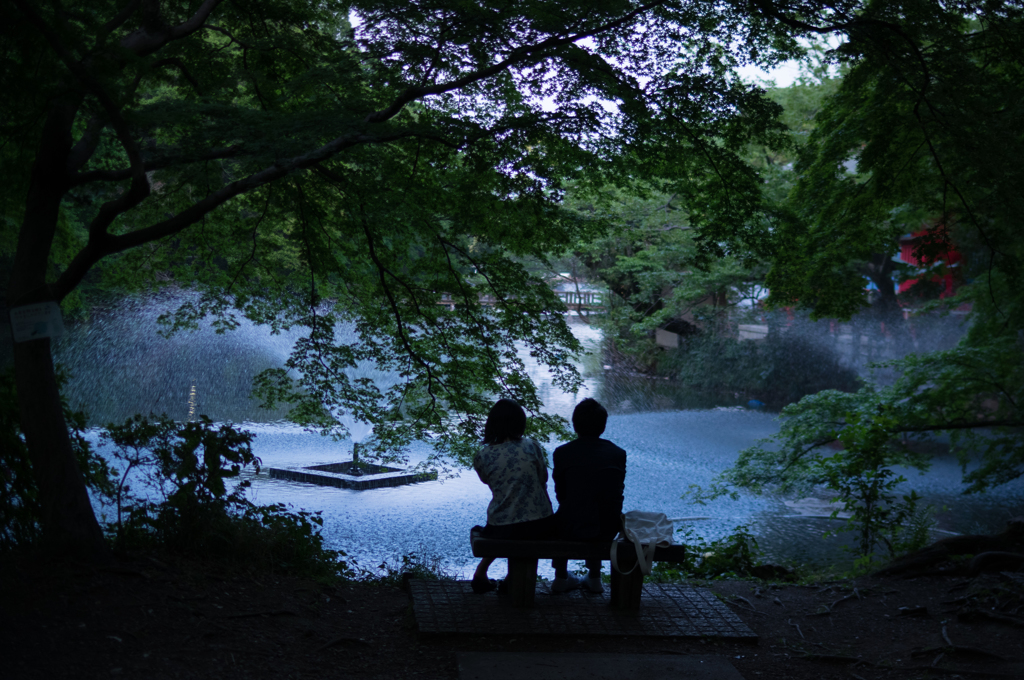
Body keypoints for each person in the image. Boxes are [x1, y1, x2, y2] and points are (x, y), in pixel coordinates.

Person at [471, 398, 557, 593]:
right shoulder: (531, 446)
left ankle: (481, 572)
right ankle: (512, 580)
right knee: (527, 530)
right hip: (540, 524)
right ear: (520, 423)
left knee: (505, 526)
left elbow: (488, 482)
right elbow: (543, 478)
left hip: (502, 526)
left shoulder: (482, 456)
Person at [550, 398, 626, 594]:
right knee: (600, 505)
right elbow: (615, 493)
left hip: (571, 526)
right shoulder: (617, 453)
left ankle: (561, 577)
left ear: (575, 425)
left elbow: (562, 495)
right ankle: (594, 577)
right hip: (607, 528)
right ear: (603, 426)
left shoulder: (562, 453)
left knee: (570, 509)